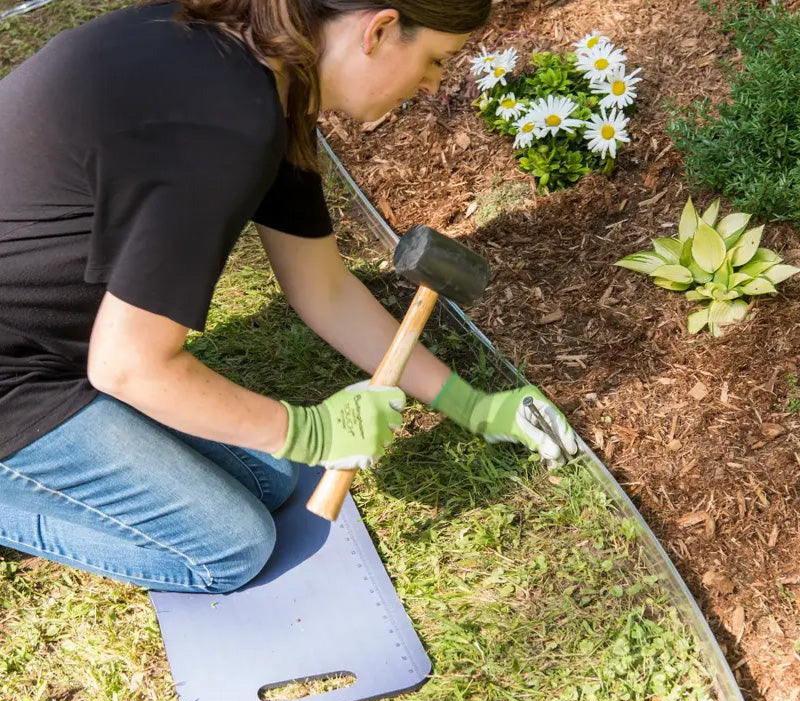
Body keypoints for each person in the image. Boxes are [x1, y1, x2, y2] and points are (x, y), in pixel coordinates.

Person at [0, 0, 577, 595]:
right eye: (434, 60)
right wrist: (309, 432)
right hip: (16, 381)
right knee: (230, 548)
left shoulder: (263, 67)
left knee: (268, 478)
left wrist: (474, 407)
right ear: (378, 30)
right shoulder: (222, 126)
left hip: (49, 350)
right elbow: (128, 365)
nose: (433, 86)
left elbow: (323, 289)